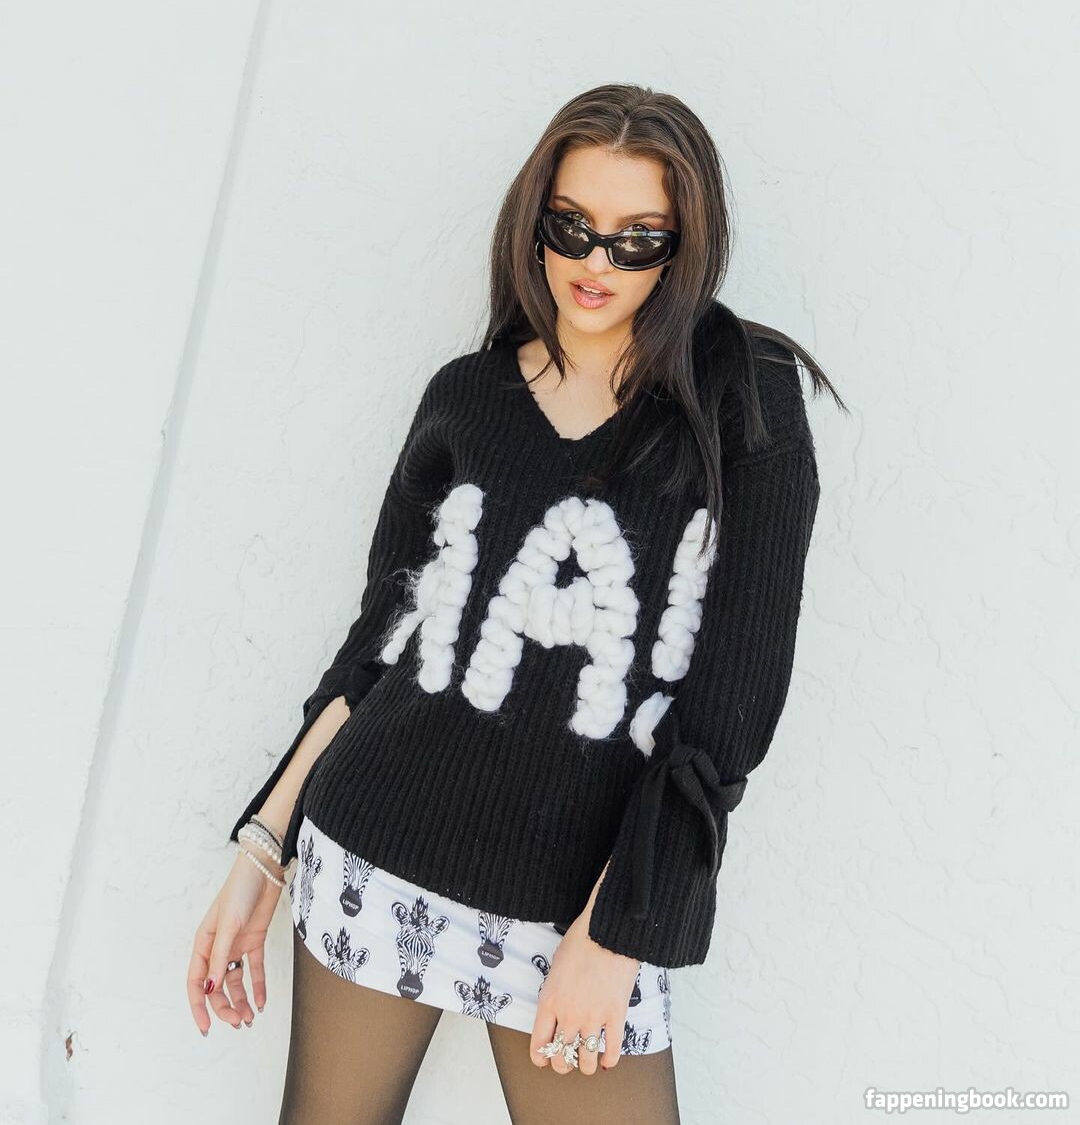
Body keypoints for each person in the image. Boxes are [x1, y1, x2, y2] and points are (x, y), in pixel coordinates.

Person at [187, 83, 842, 1124]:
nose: (597, 261)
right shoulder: (467, 398)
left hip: (580, 907)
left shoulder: (743, 401)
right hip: (378, 857)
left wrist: (621, 930)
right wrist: (264, 847)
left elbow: (729, 713)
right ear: (534, 219)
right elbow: (382, 647)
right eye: (572, 226)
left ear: (686, 246)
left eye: (639, 238)